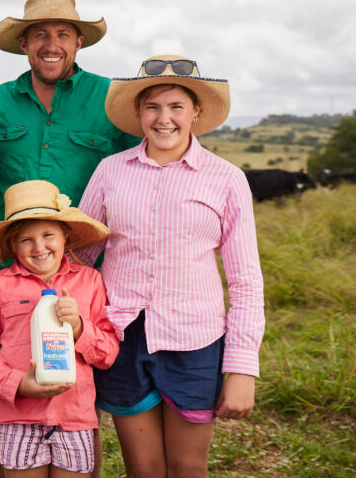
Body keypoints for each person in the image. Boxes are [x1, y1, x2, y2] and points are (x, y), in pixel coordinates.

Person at [76, 55, 265, 476]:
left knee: (186, 467)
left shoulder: (226, 178)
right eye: (153, 107)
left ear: (196, 112)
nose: (165, 119)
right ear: (140, 114)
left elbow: (246, 280)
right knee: (142, 468)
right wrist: (14, 285)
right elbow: (80, 256)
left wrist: (241, 368)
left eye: (176, 106)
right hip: (121, 336)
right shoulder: (110, 171)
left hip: (195, 339)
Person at [0, 0, 138, 478]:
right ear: (24, 43)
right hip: (10, 271)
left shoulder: (110, 98)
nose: (51, 44)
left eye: (62, 34)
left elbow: (140, 167)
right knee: (14, 380)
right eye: (40, 34)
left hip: (86, 274)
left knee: (81, 397)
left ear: (79, 40)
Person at [0, 180, 119, 477]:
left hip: (74, 417)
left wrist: (77, 327)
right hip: (18, 417)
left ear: (66, 238)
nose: (39, 247)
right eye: (26, 240)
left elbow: (108, 352)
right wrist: (17, 384)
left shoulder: (90, 282)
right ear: (12, 245)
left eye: (48, 235)